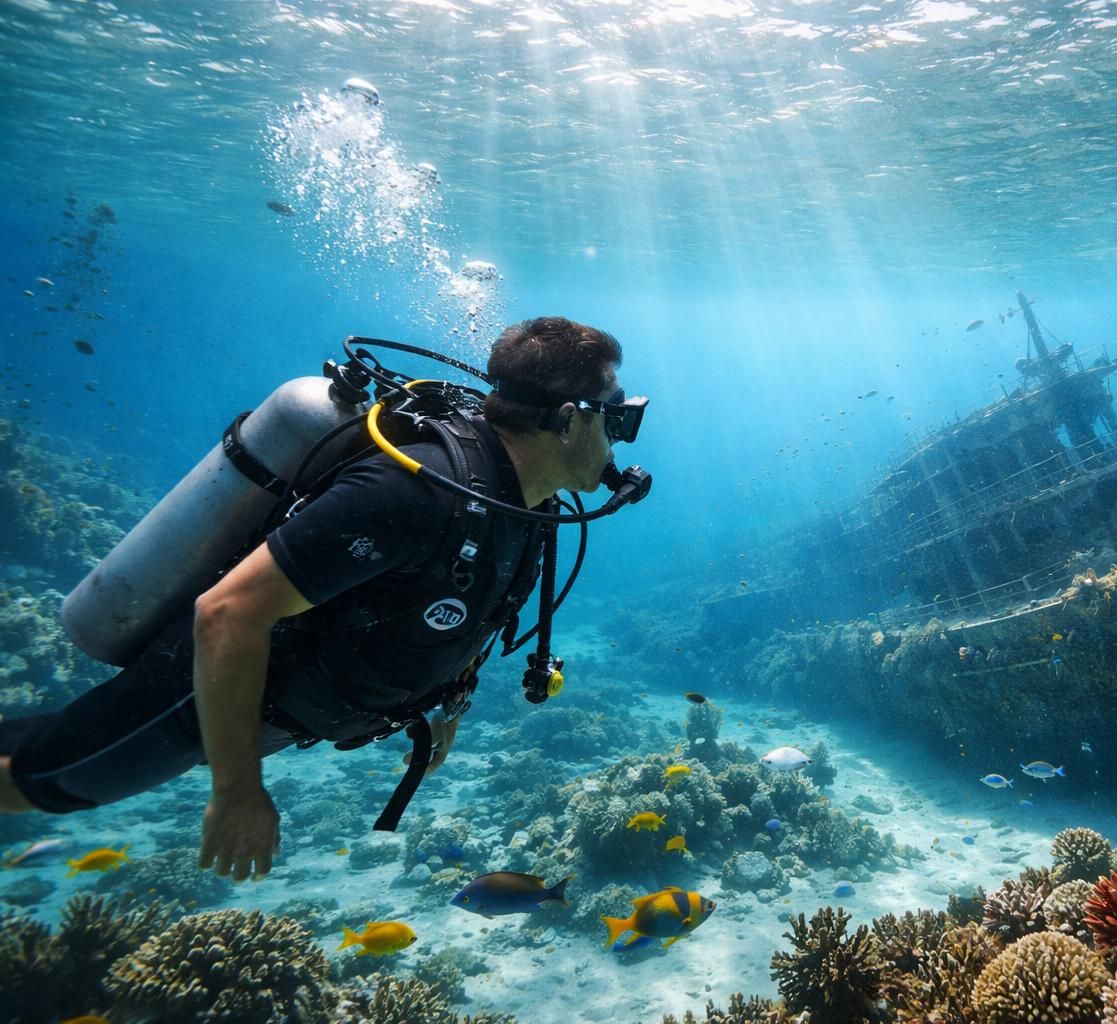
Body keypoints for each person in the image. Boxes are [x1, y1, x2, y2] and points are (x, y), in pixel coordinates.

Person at [0, 317, 641, 883]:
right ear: (567, 418)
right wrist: (236, 789)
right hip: (206, 693)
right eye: (617, 419)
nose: (621, 442)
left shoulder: (526, 504)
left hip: (287, 707)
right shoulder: (412, 493)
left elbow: (468, 604)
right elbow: (228, 612)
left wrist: (450, 704)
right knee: (43, 783)